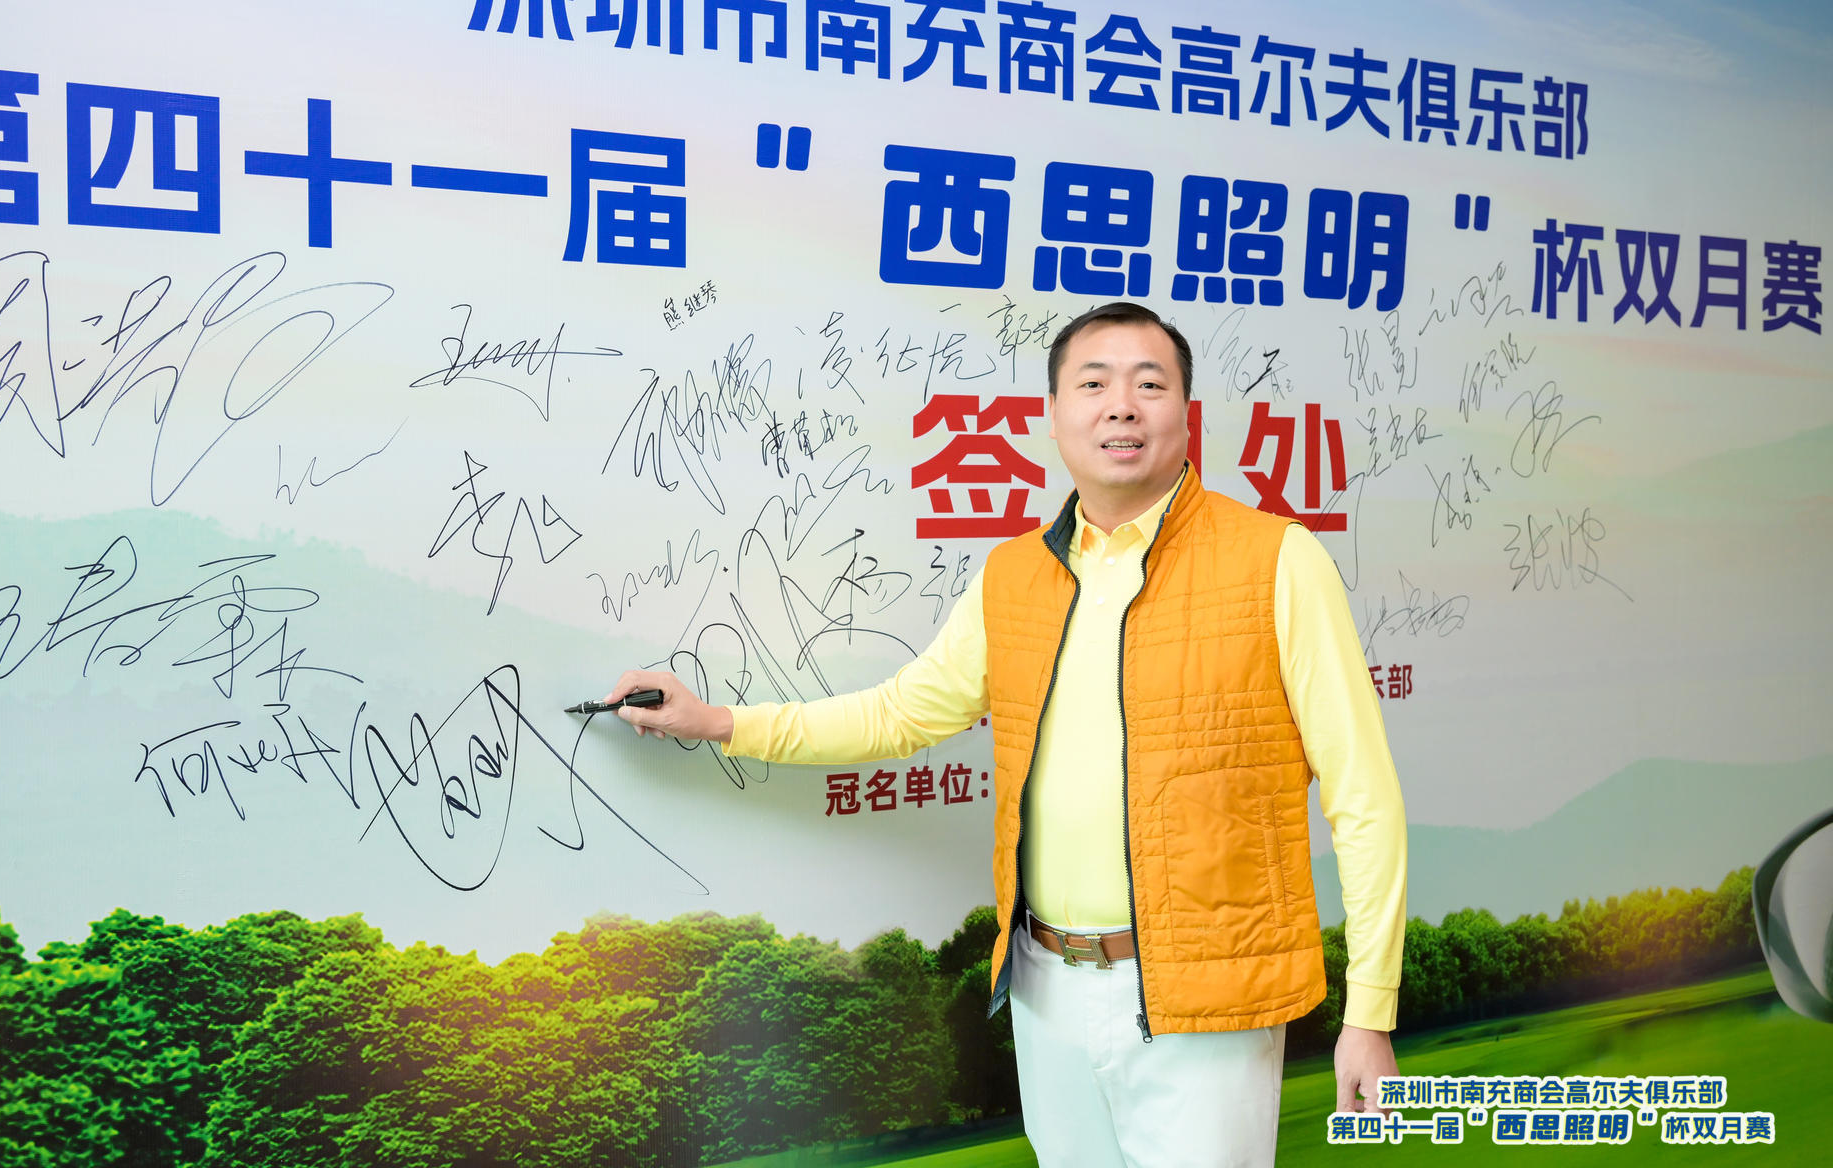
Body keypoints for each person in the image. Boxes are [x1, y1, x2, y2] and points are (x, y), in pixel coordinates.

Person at [603, 301, 1406, 1166]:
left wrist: (1370, 1011)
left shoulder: (1277, 560)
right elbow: (900, 712)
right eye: (1093, 384)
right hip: (1045, 987)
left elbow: (1362, 796)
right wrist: (717, 721)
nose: (1121, 406)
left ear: (1186, 413)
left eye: (1150, 384)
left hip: (1206, 998)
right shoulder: (1015, 574)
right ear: (1053, 417)